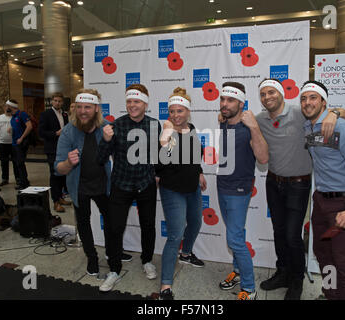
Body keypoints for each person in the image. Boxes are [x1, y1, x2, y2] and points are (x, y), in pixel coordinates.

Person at [255, 78, 341, 300]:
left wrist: (334, 113)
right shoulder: (260, 119)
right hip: (273, 183)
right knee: (279, 231)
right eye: (263, 94)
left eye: (271, 92)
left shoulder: (300, 112)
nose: (267, 97)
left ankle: (296, 280)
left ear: (281, 93)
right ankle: (282, 272)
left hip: (298, 184)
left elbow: (337, 114)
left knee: (293, 235)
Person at [300, 80, 345, 300]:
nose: (307, 102)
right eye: (303, 98)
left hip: (343, 203)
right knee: (323, 255)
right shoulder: (308, 126)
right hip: (321, 202)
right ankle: (330, 294)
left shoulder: (340, 127)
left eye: (313, 98)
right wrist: (337, 112)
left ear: (323, 102)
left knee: (343, 262)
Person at [97, 84, 161, 292]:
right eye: (129, 101)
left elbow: (158, 153)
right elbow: (100, 159)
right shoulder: (115, 126)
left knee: (148, 225)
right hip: (121, 184)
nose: (132, 105)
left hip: (146, 184)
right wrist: (106, 140)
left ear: (145, 103)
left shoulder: (154, 124)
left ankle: (147, 261)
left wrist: (157, 174)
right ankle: (114, 270)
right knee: (115, 228)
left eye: (137, 101)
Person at [216, 82, 268, 300]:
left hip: (239, 188)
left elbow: (264, 158)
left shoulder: (250, 127)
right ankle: (238, 271)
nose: (224, 104)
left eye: (230, 100)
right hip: (222, 185)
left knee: (235, 238)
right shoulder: (224, 122)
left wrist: (254, 127)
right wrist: (224, 118)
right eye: (222, 99)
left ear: (241, 103)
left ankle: (249, 287)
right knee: (234, 233)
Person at [155, 87, 207, 300]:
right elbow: (162, 161)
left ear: (188, 112)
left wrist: (200, 172)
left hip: (192, 187)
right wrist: (166, 137)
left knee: (195, 223)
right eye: (172, 111)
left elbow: (194, 155)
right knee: (175, 234)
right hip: (172, 189)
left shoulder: (192, 128)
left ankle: (186, 254)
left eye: (180, 111)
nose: (176, 116)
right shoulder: (166, 131)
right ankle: (165, 284)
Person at [55, 88, 112, 276]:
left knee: (111, 222)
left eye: (87, 107)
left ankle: (112, 254)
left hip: (104, 185)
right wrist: (68, 163)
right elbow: (59, 168)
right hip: (79, 187)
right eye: (79, 107)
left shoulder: (106, 127)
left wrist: (109, 141)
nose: (82, 111)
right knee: (84, 224)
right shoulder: (68, 132)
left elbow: (122, 156)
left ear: (96, 108)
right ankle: (92, 258)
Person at [38, 92, 71, 213]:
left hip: (64, 149)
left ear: (62, 102)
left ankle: (61, 197)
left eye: (60, 101)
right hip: (52, 149)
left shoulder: (64, 114)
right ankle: (55, 201)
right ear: (52, 101)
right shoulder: (46, 114)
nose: (57, 103)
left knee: (63, 173)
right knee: (54, 174)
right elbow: (41, 133)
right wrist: (55, 133)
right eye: (55, 100)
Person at [9, 99, 32, 190]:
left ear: (11, 106)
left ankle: (24, 182)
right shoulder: (13, 117)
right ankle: (23, 180)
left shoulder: (21, 114)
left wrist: (22, 137)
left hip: (21, 143)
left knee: (20, 163)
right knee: (18, 163)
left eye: (7, 106)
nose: (5, 108)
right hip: (14, 142)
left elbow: (29, 126)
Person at [0, 103, 15, 187]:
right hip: (2, 143)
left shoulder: (14, 117)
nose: (8, 108)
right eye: (6, 106)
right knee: (4, 162)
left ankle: (18, 178)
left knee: (15, 162)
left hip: (13, 143)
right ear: (4, 107)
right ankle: (5, 179)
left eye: (10, 106)